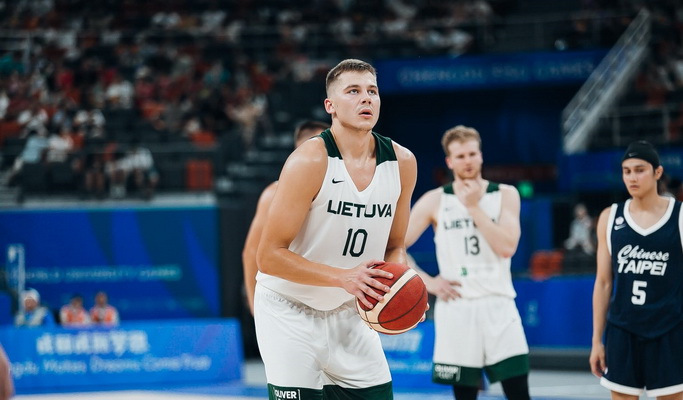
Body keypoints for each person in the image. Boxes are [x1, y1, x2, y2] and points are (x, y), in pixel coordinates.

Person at [254, 59, 418, 399]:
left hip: (349, 309)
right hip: (289, 308)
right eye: (353, 91)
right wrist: (343, 277)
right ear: (331, 106)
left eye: (372, 91)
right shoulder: (309, 160)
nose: (366, 98)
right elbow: (267, 256)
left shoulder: (402, 162)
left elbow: (395, 245)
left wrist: (399, 287)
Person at [405, 125, 530, 400]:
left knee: (519, 393)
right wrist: (428, 282)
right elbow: (395, 248)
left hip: (499, 303)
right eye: (460, 156)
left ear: (481, 155)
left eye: (472, 154)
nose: (468, 161)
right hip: (457, 307)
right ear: (449, 161)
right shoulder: (435, 200)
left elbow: (507, 247)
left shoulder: (505, 194)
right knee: (464, 396)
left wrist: (473, 206)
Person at [590, 140, 683, 399]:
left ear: (657, 172)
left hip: (669, 330)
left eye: (640, 170)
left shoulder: (679, 216)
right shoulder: (610, 217)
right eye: (626, 171)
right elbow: (603, 283)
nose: (632, 177)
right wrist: (596, 340)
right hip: (623, 330)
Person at [242, 119, 330, 315]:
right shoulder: (274, 193)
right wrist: (255, 308)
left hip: (334, 297)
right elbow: (251, 252)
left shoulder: (343, 189)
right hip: (288, 301)